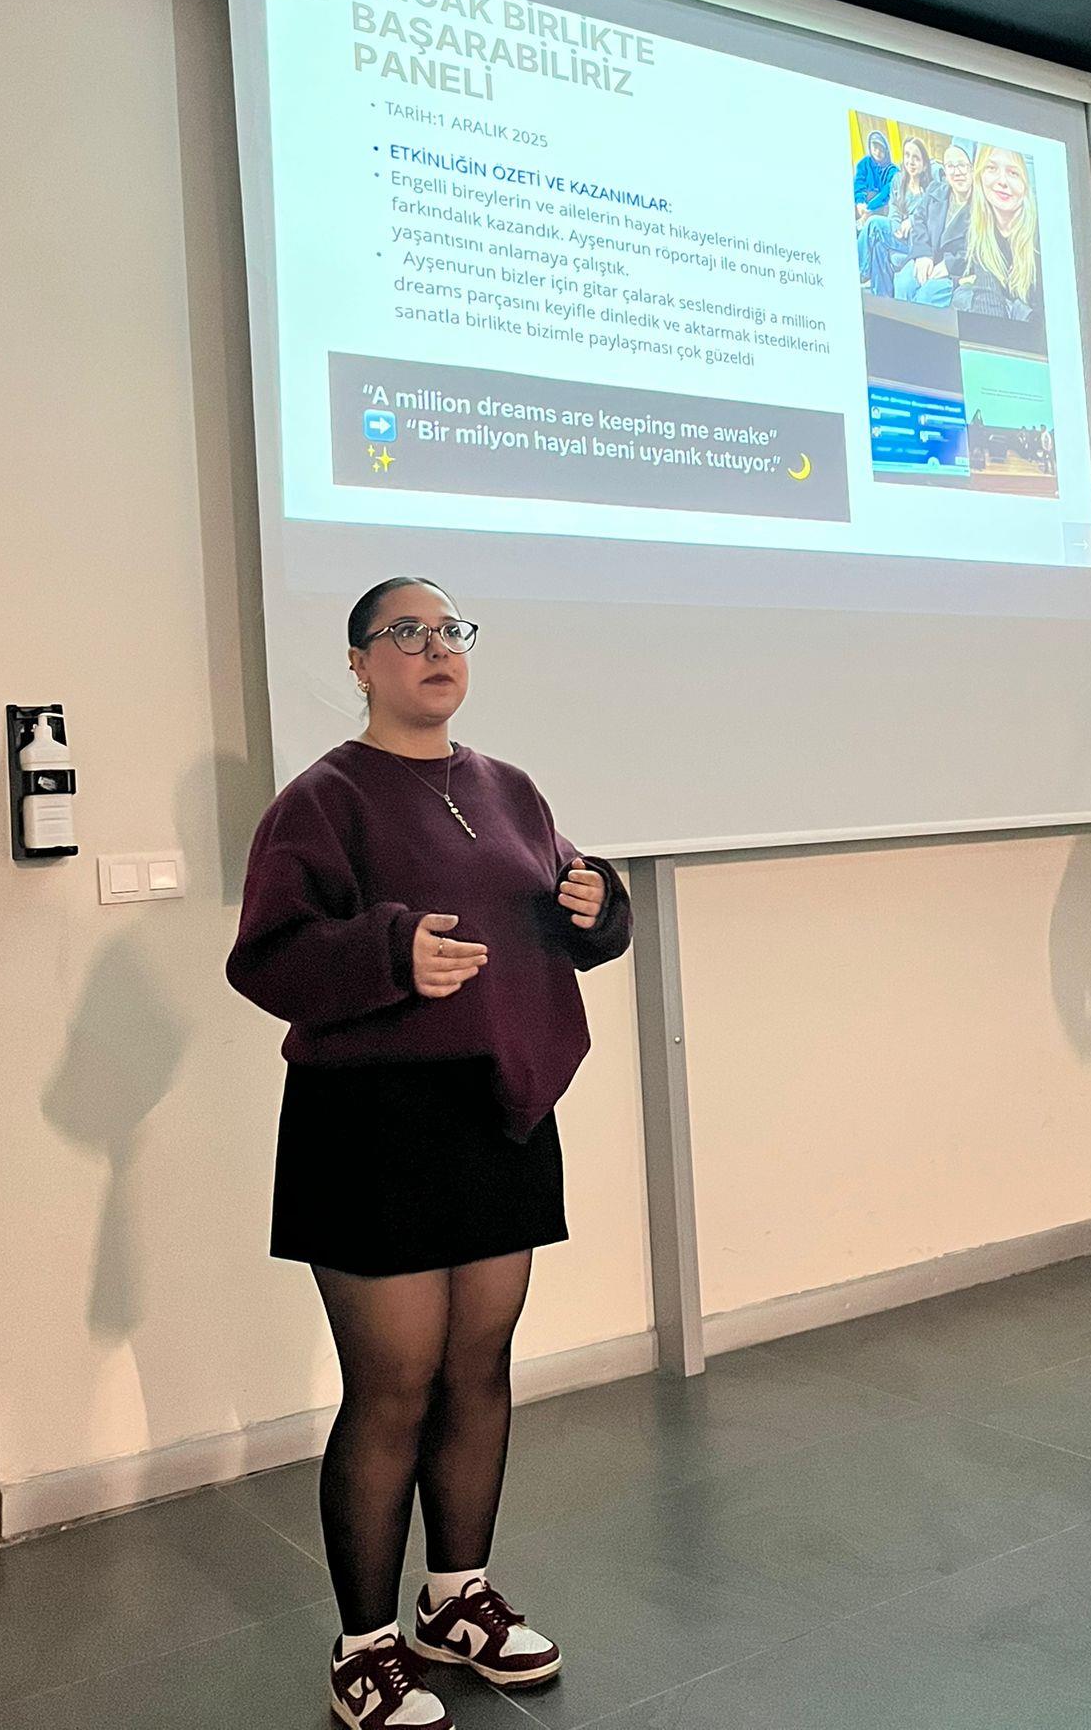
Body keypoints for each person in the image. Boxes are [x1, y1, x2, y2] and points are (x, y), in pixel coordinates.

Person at [227, 577, 632, 1730]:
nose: (433, 647)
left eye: (448, 629)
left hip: (499, 1110)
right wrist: (390, 951)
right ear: (360, 664)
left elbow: (571, 912)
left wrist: (600, 907)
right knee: (392, 1385)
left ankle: (456, 1598)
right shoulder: (323, 798)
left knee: (478, 1367)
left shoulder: (510, 788)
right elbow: (267, 955)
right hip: (372, 1123)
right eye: (403, 633)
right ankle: (363, 1647)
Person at [948, 145, 1043, 323]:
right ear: (979, 175)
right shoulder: (980, 230)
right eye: (991, 168)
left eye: (1013, 173)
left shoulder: (1041, 234)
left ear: (1025, 182)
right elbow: (989, 302)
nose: (1002, 181)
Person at [894, 141, 973, 305]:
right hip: (926, 255)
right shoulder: (934, 190)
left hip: (953, 270)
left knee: (927, 296)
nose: (957, 172)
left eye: (962, 165)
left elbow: (978, 247)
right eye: (950, 166)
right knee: (903, 284)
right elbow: (919, 220)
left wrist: (950, 265)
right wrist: (923, 253)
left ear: (972, 168)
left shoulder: (981, 207)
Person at [862, 134, 934, 296]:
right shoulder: (897, 180)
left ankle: (861, 271)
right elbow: (893, 209)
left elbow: (930, 217)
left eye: (916, 158)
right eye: (907, 155)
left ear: (924, 165)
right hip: (898, 235)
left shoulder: (930, 190)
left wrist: (912, 220)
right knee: (879, 247)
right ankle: (883, 298)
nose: (910, 161)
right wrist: (896, 228)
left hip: (916, 241)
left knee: (874, 223)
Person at [853, 128, 898, 283]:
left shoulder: (893, 170)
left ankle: (861, 271)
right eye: (875, 147)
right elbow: (859, 183)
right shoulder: (864, 163)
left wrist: (869, 209)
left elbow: (887, 193)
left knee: (872, 223)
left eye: (881, 148)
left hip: (881, 209)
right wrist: (860, 202)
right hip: (862, 207)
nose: (878, 151)